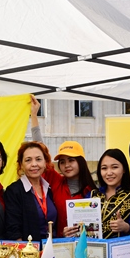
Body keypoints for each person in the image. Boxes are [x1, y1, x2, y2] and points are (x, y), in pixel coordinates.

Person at [29, 96, 96, 237]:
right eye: (62, 161)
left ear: (81, 162)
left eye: (71, 160)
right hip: (60, 244)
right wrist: (34, 115)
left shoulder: (92, 191)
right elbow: (40, 149)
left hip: (86, 245)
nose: (66, 165)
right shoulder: (56, 182)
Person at [4, 141, 58, 242]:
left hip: (52, 248)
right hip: (29, 249)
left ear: (45, 163)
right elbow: (13, 230)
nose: (34, 164)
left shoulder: (49, 189)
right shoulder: (14, 191)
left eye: (38, 159)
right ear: (21, 165)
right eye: (28, 160)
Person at [90, 148, 130, 238]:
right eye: (104, 168)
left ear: (124, 169)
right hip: (93, 246)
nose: (109, 173)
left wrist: (126, 228)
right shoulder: (92, 195)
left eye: (114, 167)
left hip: (122, 246)